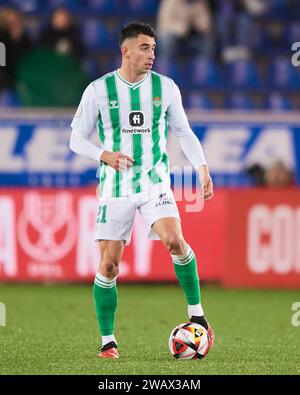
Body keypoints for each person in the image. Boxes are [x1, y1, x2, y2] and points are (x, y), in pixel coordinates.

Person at [69, 22, 214, 359]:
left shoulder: (166, 87)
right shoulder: (99, 90)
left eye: (154, 48)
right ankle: (108, 341)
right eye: (145, 48)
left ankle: (197, 314)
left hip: (154, 182)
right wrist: (103, 154)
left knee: (175, 241)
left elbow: (184, 131)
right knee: (109, 267)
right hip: (114, 187)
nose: (152, 54)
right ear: (126, 51)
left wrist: (201, 166)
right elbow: (75, 138)